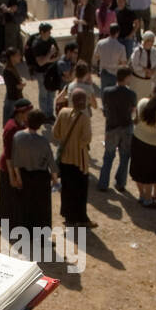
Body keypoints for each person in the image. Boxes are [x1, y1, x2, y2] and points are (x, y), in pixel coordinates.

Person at [9, 110, 57, 240]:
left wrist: (18, 178)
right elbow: (51, 162)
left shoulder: (18, 136)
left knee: (25, 206)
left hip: (24, 176)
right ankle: (41, 238)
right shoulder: (43, 142)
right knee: (42, 210)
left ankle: (25, 235)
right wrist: (55, 179)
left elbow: (15, 160)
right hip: (41, 178)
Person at [52, 89, 97, 228]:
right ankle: (81, 218)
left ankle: (68, 216)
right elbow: (86, 139)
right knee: (80, 191)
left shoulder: (63, 112)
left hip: (65, 158)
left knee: (67, 189)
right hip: (79, 160)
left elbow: (55, 133)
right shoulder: (84, 118)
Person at [100, 67, 138, 193]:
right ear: (126, 77)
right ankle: (120, 183)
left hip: (111, 127)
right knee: (124, 156)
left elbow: (104, 108)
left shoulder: (107, 91)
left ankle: (103, 183)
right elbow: (133, 111)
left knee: (108, 156)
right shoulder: (131, 94)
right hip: (126, 127)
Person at [0, 99, 33, 229]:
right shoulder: (11, 127)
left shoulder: (22, 123)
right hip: (9, 167)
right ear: (21, 113)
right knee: (9, 199)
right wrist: (13, 176)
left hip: (18, 165)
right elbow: (8, 155)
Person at [2, 46, 26, 123]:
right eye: (18, 55)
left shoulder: (12, 67)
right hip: (12, 99)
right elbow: (12, 87)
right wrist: (21, 85)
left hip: (15, 97)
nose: (20, 57)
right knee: (12, 120)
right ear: (12, 57)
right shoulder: (7, 71)